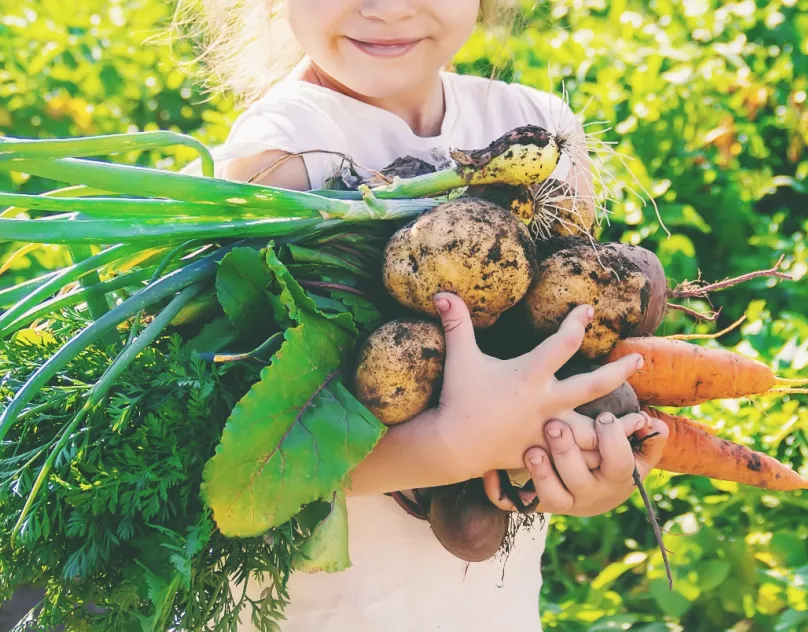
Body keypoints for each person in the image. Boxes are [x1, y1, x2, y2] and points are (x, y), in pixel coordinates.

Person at [176, 1, 671, 630]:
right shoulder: (279, 160)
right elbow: (240, 463)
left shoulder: (538, 128)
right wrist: (449, 447)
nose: (385, 7)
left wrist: (585, 471)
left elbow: (571, 338)